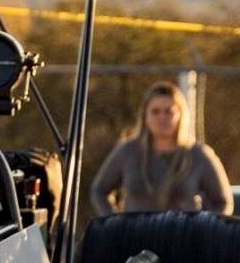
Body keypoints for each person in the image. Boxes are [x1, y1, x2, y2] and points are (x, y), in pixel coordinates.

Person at [90, 81, 232, 215]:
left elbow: (223, 202)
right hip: (135, 237)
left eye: (169, 111)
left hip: (182, 236)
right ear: (145, 115)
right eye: (155, 111)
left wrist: (208, 230)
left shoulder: (198, 154)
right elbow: (99, 190)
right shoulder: (128, 151)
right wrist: (114, 223)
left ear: (181, 115)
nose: (162, 117)